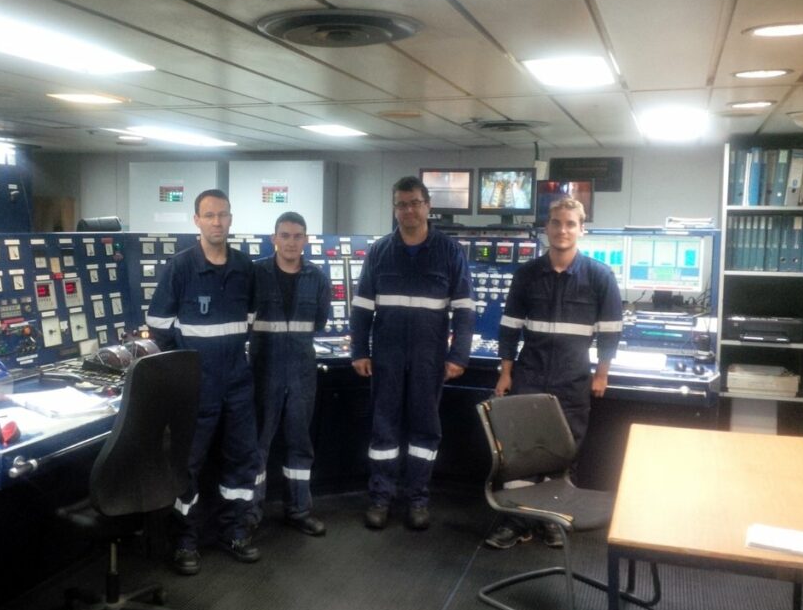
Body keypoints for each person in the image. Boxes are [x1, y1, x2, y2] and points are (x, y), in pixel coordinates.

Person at [484, 196, 622, 550]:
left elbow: (610, 331)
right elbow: (510, 328)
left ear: (581, 229)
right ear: (546, 228)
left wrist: (601, 374)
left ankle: (554, 521)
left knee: (564, 451)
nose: (563, 230)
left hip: (573, 378)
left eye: (571, 224)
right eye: (557, 223)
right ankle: (518, 522)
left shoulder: (600, 276)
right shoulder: (527, 275)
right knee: (521, 451)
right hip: (530, 374)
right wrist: (505, 372)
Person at [350, 176, 475, 531]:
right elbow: (361, 308)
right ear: (395, 209)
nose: (408, 210)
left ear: (427, 205)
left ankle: (418, 498)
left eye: (415, 203)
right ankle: (380, 497)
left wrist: (458, 356)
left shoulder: (449, 252)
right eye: (402, 204)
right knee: (384, 430)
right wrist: (360, 349)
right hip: (386, 356)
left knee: (424, 430)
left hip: (429, 356)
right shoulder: (379, 252)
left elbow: (465, 309)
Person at [146, 189, 260, 575]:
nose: (216, 222)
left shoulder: (246, 267)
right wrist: (184, 365)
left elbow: (251, 317)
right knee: (189, 465)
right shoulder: (180, 267)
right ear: (196, 220)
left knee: (242, 459)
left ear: (231, 219)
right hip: (197, 384)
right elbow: (159, 325)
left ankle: (235, 531)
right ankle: (185, 540)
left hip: (237, 382)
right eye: (209, 215)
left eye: (223, 215)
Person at [249, 211, 332, 537]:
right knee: (258, 445)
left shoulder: (317, 278)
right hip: (263, 370)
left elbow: (320, 321)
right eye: (285, 235)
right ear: (274, 239)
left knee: (300, 443)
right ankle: (250, 516)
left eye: (298, 236)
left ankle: (298, 510)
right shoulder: (256, 274)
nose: (291, 242)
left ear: (306, 240)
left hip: (301, 371)